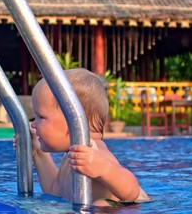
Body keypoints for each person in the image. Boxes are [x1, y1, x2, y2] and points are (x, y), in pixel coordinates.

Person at [28, 68, 149, 207]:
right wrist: (38, 153)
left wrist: (104, 169)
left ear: (74, 119)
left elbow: (131, 191)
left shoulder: (95, 153)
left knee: (102, 205)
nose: (34, 124)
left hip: (132, 206)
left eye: (41, 117)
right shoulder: (70, 157)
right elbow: (54, 191)